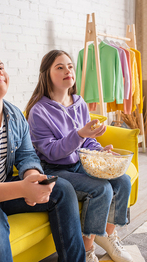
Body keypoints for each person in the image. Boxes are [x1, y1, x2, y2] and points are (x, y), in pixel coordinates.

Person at [0, 44, 86, 262]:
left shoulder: (14, 114)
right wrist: (21, 188)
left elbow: (27, 156)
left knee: (63, 189)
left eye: (1, 67)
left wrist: (32, 177)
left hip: (4, 186)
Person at [25, 50, 133, 262]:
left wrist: (99, 151)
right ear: (46, 74)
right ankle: (87, 250)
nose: (68, 70)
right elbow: (52, 152)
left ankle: (109, 236)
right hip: (55, 169)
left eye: (70, 66)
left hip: (80, 162)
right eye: (60, 67)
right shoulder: (39, 111)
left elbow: (88, 140)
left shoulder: (79, 102)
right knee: (101, 189)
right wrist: (80, 134)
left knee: (123, 181)